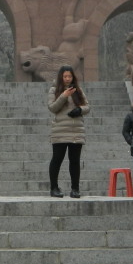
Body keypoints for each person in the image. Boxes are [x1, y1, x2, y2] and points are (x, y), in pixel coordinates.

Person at [47, 65, 90, 198]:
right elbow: (52, 108)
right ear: (61, 77)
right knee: (57, 159)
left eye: (69, 76)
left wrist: (80, 110)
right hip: (60, 130)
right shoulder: (54, 90)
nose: (67, 79)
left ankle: (75, 189)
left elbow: (87, 106)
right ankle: (54, 188)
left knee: (75, 161)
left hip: (76, 130)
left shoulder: (78, 90)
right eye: (65, 76)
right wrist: (63, 96)